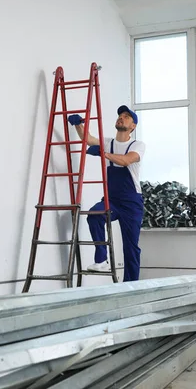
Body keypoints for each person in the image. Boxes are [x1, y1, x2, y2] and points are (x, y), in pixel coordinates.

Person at [67, 105, 145, 282]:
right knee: (94, 215)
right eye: (120, 115)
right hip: (112, 199)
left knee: (130, 247)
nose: (121, 118)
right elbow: (88, 139)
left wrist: (104, 154)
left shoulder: (137, 145)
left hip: (132, 203)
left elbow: (126, 161)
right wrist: (78, 124)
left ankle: (131, 287)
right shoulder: (108, 142)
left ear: (133, 126)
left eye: (126, 117)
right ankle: (101, 259)